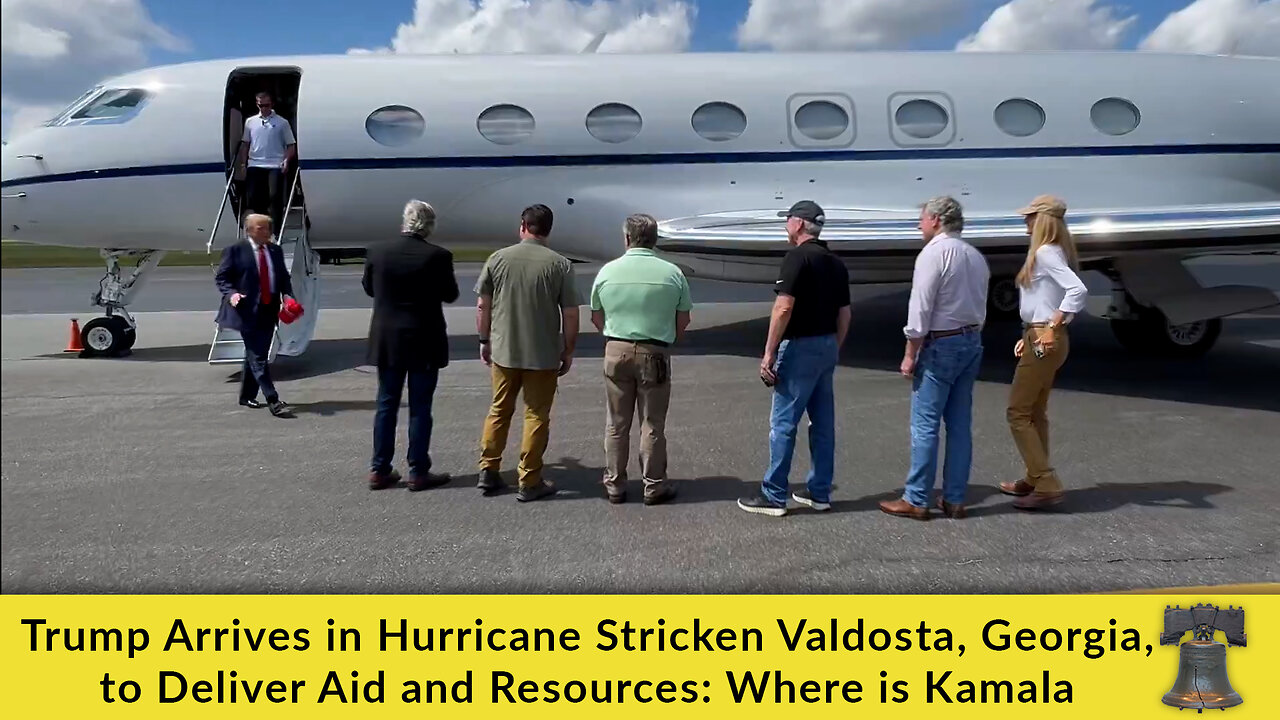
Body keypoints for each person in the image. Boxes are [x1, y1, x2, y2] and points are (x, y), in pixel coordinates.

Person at [738, 200, 851, 517]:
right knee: (822, 422)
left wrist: (769, 352)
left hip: (800, 346)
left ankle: (774, 494)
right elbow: (845, 314)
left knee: (783, 423)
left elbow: (784, 307)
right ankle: (819, 491)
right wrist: (834, 347)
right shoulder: (835, 262)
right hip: (826, 344)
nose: (785, 225)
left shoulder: (796, 258)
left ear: (799, 224)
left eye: (787, 220)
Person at [880, 196, 989, 521]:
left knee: (925, 424)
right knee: (959, 425)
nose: (919, 224)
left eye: (923, 218)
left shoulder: (933, 254)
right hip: (971, 339)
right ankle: (955, 498)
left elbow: (920, 309)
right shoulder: (974, 255)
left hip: (941, 343)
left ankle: (917, 498)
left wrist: (910, 353)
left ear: (937, 220)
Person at [475, 204, 579, 502]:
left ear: (523, 225)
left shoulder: (498, 259)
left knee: (499, 410)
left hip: (504, 351)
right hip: (542, 355)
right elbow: (570, 313)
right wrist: (568, 349)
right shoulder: (560, 264)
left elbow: (483, 305)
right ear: (548, 229)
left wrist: (484, 339)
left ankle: (489, 469)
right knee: (536, 415)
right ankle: (529, 478)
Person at [589, 213, 692, 506]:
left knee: (616, 423)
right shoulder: (671, 272)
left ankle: (615, 484)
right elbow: (682, 320)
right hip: (654, 351)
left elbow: (597, 316)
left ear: (626, 239)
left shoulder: (608, 271)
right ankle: (654, 485)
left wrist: (615, 336)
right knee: (652, 423)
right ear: (655, 239)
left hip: (616, 349)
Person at [363, 200, 460, 492]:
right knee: (420, 407)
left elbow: (369, 288)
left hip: (388, 338)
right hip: (423, 338)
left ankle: (379, 468)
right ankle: (418, 470)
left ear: (404, 221)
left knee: (386, 404)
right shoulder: (438, 256)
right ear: (429, 226)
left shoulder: (377, 252)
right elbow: (451, 294)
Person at [1000, 195, 1088, 510]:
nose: (1025, 221)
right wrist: (1034, 330)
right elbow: (1048, 298)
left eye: (1030, 217)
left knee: (1018, 412)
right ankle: (1035, 476)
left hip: (1044, 340)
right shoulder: (1054, 252)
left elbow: (1078, 290)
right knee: (1035, 412)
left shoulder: (1046, 252)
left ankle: (1045, 480)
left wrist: (1048, 327)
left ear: (1043, 220)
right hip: (1041, 337)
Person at [214, 213, 294, 417]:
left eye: (268, 227)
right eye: (262, 228)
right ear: (249, 230)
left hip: (269, 309)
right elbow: (222, 278)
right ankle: (272, 399)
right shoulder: (235, 250)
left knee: (256, 354)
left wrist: (288, 296)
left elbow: (283, 277)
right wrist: (232, 294)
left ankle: (246, 396)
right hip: (245, 310)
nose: (267, 231)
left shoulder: (275, 250)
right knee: (258, 356)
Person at [237, 91, 297, 232]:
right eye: (260, 105)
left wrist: (287, 160)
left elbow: (291, 145)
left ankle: (275, 231)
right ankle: (261, 229)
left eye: (266, 105)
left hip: (275, 164)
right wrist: (242, 164)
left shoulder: (282, 123)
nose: (264, 109)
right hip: (255, 164)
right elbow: (245, 144)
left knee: (274, 197)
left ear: (272, 104)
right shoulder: (250, 122)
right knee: (256, 199)